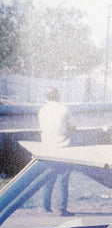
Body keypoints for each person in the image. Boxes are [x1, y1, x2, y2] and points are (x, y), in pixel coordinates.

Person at [38, 87, 74, 215]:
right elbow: (70, 127)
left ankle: (45, 206)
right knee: (63, 179)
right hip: (62, 146)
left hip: (47, 147)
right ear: (58, 96)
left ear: (47, 97)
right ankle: (61, 208)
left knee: (49, 178)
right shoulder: (64, 109)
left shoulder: (42, 110)